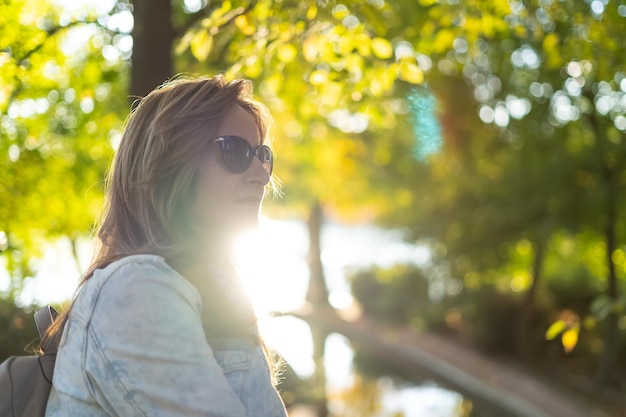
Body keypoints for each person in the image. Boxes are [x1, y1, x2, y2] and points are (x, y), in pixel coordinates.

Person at [44, 75, 288, 417]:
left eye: (262, 155)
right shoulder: (135, 290)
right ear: (171, 163)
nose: (262, 175)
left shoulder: (217, 287)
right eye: (235, 151)